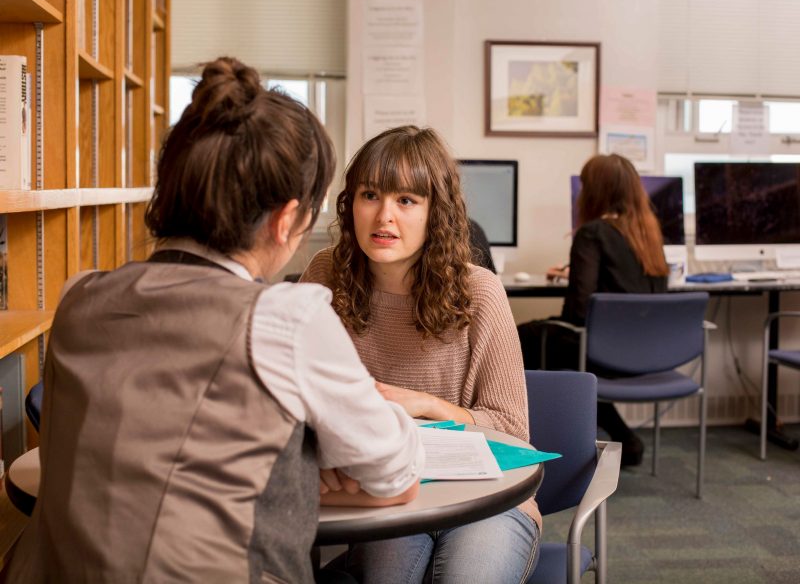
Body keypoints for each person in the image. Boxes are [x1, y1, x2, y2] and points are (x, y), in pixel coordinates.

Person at [2, 57, 423, 584]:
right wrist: (312, 463)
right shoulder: (283, 319)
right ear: (286, 220)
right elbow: (396, 475)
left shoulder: (79, 298)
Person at [301, 125, 540, 583]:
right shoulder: (325, 275)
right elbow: (295, 398)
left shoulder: (480, 292)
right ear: (351, 203)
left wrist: (430, 405)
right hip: (385, 494)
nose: (384, 216)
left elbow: (513, 428)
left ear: (437, 212)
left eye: (406, 200)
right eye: (370, 195)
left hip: (483, 497)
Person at [517, 153, 669, 466]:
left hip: (602, 350)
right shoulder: (648, 234)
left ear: (594, 192)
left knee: (519, 339)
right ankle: (624, 438)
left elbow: (577, 311)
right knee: (550, 340)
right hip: (647, 351)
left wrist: (576, 277)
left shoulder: (592, 233)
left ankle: (535, 444)